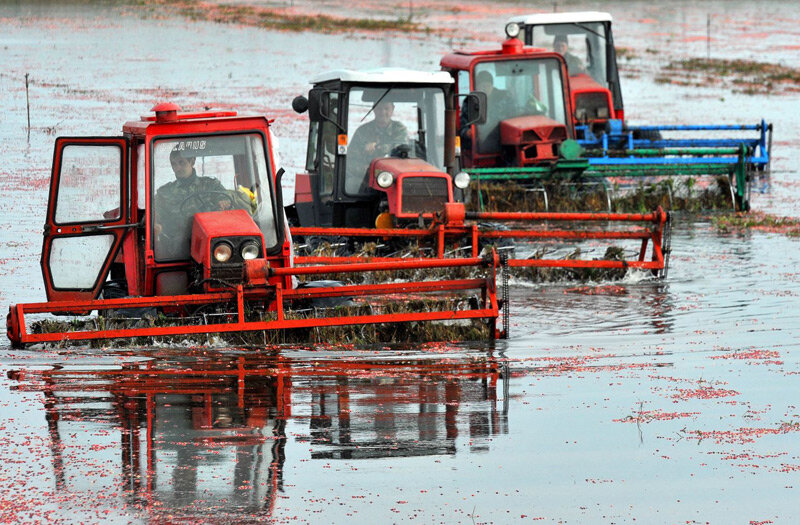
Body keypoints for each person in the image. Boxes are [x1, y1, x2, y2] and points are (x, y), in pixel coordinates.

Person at [154, 149, 233, 258]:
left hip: (213, 240)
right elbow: (154, 215)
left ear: (192, 161)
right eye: (174, 164)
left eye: (181, 162)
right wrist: (155, 223)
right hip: (177, 247)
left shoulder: (211, 185)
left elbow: (226, 199)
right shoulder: (165, 192)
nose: (177, 168)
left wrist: (224, 203)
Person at [347, 101, 408, 191]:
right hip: (367, 178)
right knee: (350, 184)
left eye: (386, 109)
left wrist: (378, 147)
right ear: (374, 109)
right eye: (379, 109)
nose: (383, 112)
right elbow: (350, 161)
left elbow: (401, 148)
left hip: (394, 178)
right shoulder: (362, 132)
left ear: (393, 109)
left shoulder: (399, 129)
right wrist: (366, 169)